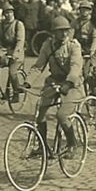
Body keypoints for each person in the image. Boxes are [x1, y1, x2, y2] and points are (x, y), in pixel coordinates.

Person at [28, 16, 83, 156]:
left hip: (72, 85)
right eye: (60, 31)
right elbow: (38, 66)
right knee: (40, 114)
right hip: (54, 82)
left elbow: (75, 67)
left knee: (62, 115)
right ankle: (43, 146)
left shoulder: (73, 45)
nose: (64, 34)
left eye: (66, 31)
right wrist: (27, 82)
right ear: (54, 33)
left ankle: (72, 144)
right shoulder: (48, 45)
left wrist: (68, 83)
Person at [0, 3, 27, 99]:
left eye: (10, 12)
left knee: (12, 72)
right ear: (3, 14)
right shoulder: (0, 25)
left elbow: (20, 41)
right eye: (6, 13)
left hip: (16, 51)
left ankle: (16, 92)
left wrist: (15, 55)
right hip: (3, 49)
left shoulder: (18, 25)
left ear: (13, 13)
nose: (8, 15)